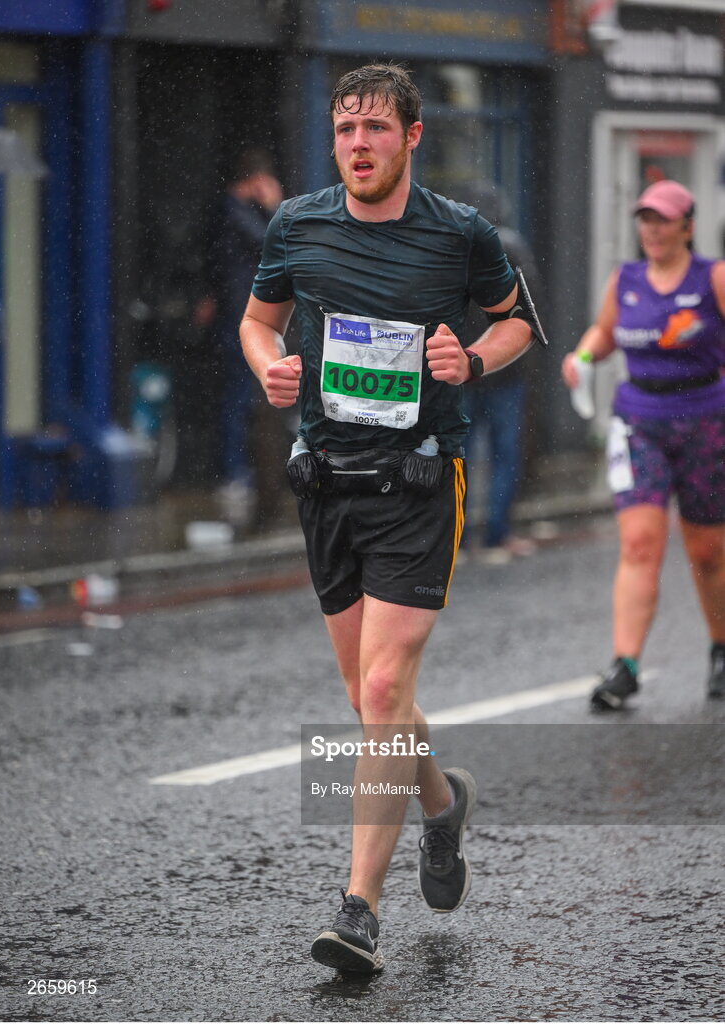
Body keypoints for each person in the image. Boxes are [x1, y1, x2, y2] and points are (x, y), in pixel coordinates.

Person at [241, 63, 539, 973]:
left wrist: (471, 362)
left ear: (412, 137)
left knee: (381, 694)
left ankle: (358, 911)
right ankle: (443, 806)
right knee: (377, 704)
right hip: (327, 480)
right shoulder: (298, 223)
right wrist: (269, 368)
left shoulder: (460, 234)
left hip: (417, 484)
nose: (358, 144)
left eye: (375, 129)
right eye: (344, 129)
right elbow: (260, 322)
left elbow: (518, 320)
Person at [561, 179, 725, 710]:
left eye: (664, 219)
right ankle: (625, 666)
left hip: (707, 421)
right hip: (639, 423)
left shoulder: (713, 278)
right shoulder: (626, 280)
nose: (652, 229)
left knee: (708, 550)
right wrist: (582, 358)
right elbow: (605, 333)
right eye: (645, 219)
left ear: (688, 226)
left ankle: (721, 649)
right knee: (638, 543)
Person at [196, 148, 283, 526]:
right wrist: (274, 207)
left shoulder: (226, 212)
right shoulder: (234, 212)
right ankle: (234, 472)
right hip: (240, 318)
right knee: (238, 398)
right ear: (254, 181)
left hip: (241, 315)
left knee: (242, 398)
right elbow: (274, 244)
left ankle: (237, 471)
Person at [456, 183, 541, 564]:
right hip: (505, 370)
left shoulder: (456, 249)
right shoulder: (514, 246)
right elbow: (529, 311)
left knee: (460, 454)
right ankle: (495, 536)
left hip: (461, 369)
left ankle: (455, 542)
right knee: (504, 453)